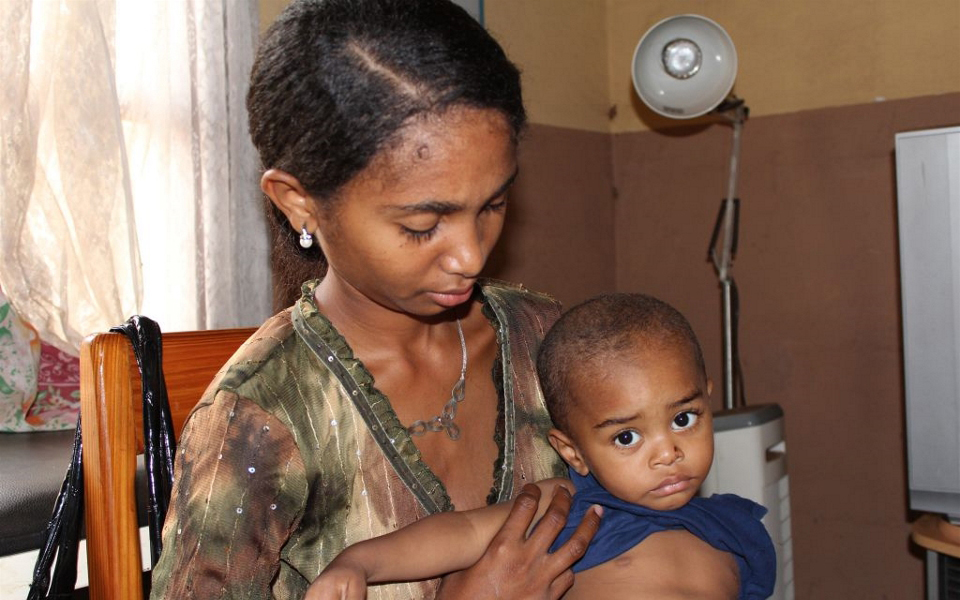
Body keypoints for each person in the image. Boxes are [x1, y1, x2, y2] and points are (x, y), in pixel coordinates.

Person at [147, 1, 602, 598]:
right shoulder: (258, 423)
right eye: (422, 225)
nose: (471, 255)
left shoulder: (547, 340)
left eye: (493, 205)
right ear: (298, 202)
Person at [306, 293, 777, 600]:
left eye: (682, 419)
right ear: (574, 453)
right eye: (627, 437)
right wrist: (360, 562)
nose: (668, 452)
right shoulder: (568, 506)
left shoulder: (731, 526)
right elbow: (461, 534)